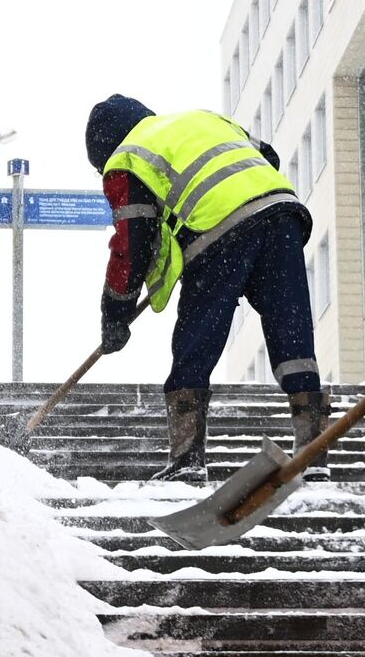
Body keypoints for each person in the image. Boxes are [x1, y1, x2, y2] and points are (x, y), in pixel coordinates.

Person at [86, 94, 330, 484]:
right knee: (292, 333)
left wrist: (114, 312)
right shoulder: (202, 118)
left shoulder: (126, 158)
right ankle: (314, 449)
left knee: (196, 343)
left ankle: (186, 459)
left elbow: (131, 246)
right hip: (280, 212)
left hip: (219, 232)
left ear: (104, 150)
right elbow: (267, 155)